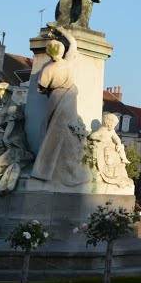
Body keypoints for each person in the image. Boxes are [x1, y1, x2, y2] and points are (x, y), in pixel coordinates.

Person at [31, 26, 89, 186]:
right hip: (70, 97)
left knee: (49, 128)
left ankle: (44, 166)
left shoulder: (48, 69)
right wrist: (62, 31)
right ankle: (66, 168)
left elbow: (41, 87)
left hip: (55, 97)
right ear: (62, 51)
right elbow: (73, 42)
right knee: (69, 131)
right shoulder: (69, 63)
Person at [88, 112, 133, 190]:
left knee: (121, 146)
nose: (114, 126)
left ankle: (124, 159)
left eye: (115, 125)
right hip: (106, 147)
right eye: (113, 124)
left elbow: (116, 138)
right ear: (108, 122)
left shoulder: (112, 131)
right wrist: (101, 139)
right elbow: (93, 135)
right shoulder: (102, 130)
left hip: (112, 148)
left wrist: (118, 143)